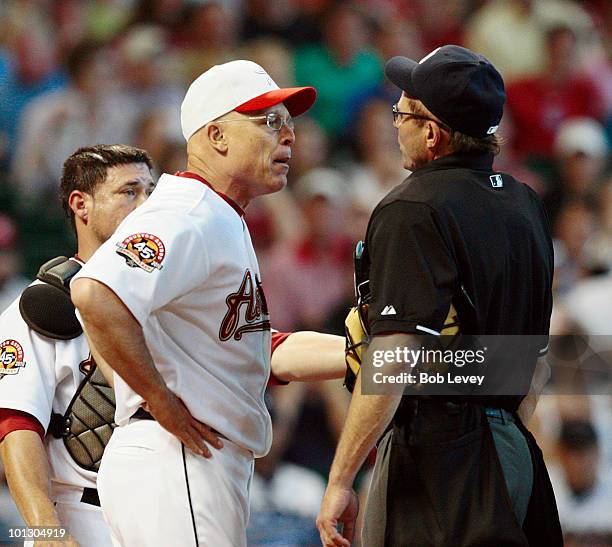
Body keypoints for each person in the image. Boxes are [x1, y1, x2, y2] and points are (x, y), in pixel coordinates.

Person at [317, 45, 563, 546]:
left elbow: (393, 356)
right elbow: (534, 356)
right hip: (512, 446)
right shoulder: (525, 202)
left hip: (437, 455)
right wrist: (497, 434)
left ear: (432, 133)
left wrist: (341, 478)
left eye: (402, 113)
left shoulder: (412, 207)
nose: (394, 125)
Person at [70, 60, 319, 546]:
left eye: (289, 122)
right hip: (176, 456)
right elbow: (94, 292)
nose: (288, 134)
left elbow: (257, 349)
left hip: (184, 463)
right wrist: (159, 399)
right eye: (269, 121)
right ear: (218, 137)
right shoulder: (189, 210)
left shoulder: (219, 215)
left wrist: (371, 351)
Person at [0, 144, 156, 546]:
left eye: (150, 193)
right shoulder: (42, 306)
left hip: (167, 511)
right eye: (129, 192)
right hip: (84, 515)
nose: (145, 205)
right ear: (80, 205)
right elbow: (17, 423)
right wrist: (45, 527)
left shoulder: (172, 298)